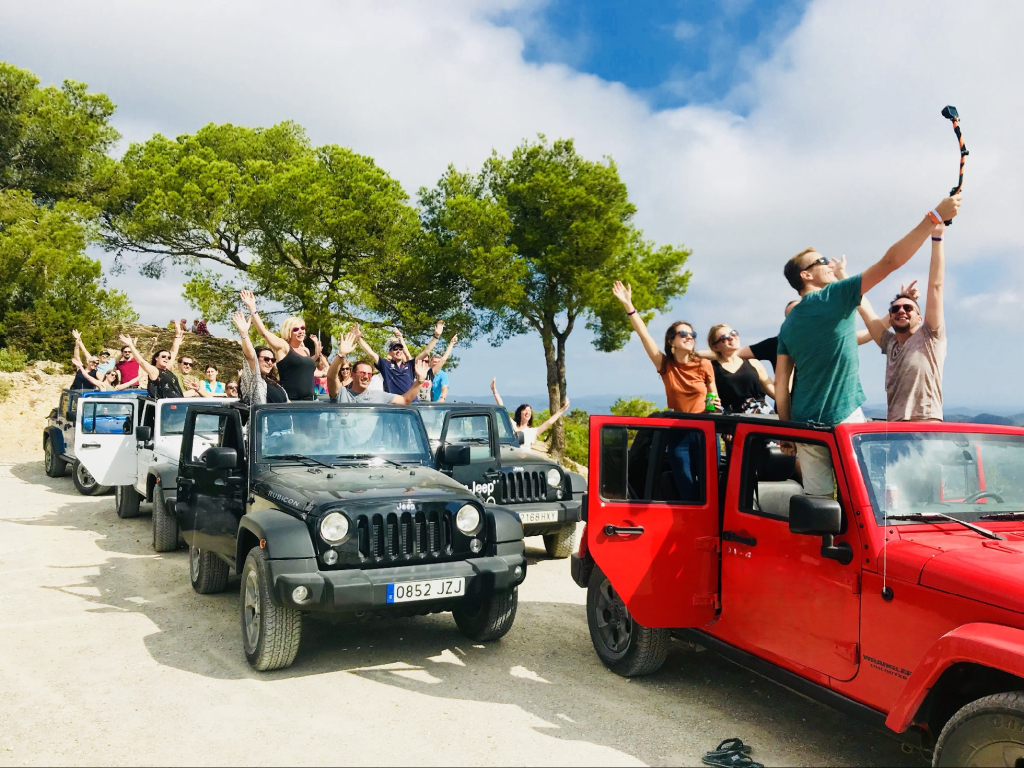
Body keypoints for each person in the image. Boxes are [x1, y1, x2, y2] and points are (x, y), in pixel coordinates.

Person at [774, 194, 961, 496]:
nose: (827, 263)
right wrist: (935, 218)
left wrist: (786, 429)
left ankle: (824, 543)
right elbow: (890, 261)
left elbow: (781, 384)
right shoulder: (835, 295)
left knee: (818, 504)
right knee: (867, 496)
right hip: (843, 417)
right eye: (821, 261)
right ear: (806, 275)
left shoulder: (788, 325)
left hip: (803, 425)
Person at [611, 280, 720, 500]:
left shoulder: (704, 364)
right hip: (678, 432)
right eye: (683, 334)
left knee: (711, 487)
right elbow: (645, 336)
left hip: (705, 430)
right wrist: (628, 306)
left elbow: (713, 397)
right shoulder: (665, 365)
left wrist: (716, 407)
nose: (690, 337)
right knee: (686, 487)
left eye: (692, 334)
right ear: (671, 341)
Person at [857, 220, 947, 421]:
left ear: (920, 317)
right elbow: (866, 311)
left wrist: (937, 237)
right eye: (896, 309)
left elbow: (936, 286)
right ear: (890, 317)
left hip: (927, 424)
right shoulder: (890, 344)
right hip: (896, 429)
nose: (901, 311)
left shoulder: (930, 336)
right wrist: (840, 278)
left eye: (908, 308)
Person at [239, 289, 320, 401]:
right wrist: (252, 308)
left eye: (303, 328)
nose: (301, 331)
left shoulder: (305, 350)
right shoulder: (284, 346)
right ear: (289, 331)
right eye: (296, 329)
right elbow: (264, 332)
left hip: (311, 402)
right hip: (291, 403)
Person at [327, 325, 430, 404]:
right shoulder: (342, 394)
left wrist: (420, 380)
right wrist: (341, 355)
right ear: (352, 374)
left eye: (369, 374)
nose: (366, 377)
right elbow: (331, 377)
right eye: (362, 373)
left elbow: (405, 400)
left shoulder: (378, 397)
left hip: (410, 406)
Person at [358, 321, 445, 395]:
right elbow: (370, 353)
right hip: (395, 406)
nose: (398, 351)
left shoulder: (410, 365)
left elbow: (426, 352)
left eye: (400, 348)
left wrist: (436, 336)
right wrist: (358, 338)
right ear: (390, 352)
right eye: (395, 349)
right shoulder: (386, 365)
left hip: (412, 405)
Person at [706, 324, 775, 414]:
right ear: (715, 347)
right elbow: (714, 403)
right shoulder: (711, 368)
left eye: (733, 333)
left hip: (764, 416)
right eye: (724, 337)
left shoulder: (754, 363)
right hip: (735, 419)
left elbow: (775, 393)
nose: (731, 338)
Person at [490, 378, 571, 448]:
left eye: (529, 411)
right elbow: (501, 406)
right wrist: (494, 390)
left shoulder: (533, 432)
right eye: (525, 410)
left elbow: (549, 422)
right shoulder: (512, 425)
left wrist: (562, 410)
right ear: (520, 413)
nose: (527, 412)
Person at [232, 311, 289, 405]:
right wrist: (244, 334)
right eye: (266, 359)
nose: (270, 362)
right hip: (261, 420)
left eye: (273, 360)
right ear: (256, 360)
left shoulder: (275, 384)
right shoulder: (253, 381)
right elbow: (250, 356)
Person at [119, 326, 188, 400]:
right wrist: (131, 345)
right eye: (163, 356)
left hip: (176, 403)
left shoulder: (167, 370)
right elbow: (141, 361)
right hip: (163, 406)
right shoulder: (154, 371)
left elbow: (173, 351)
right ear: (156, 358)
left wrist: (177, 334)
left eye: (168, 357)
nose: (166, 358)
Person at [423, 334, 457, 402]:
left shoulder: (442, 375)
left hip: (434, 404)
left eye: (438, 362)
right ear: (430, 363)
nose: (435, 364)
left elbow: (445, 388)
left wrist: (442, 398)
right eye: (434, 362)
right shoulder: (423, 372)